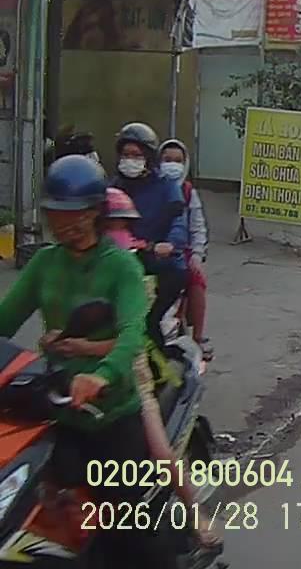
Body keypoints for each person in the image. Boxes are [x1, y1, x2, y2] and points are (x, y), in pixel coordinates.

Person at [0, 155, 176, 569]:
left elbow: (132, 333)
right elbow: (6, 318)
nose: (64, 223)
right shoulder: (46, 262)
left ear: (96, 212)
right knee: (38, 513)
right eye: (56, 213)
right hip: (55, 409)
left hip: (110, 416)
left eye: (75, 213)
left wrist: (101, 376)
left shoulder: (121, 266)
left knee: (129, 529)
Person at [87, 188, 222, 549]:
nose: (114, 233)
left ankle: (197, 517)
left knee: (160, 453)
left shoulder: (131, 267)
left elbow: (128, 335)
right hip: (76, 374)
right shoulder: (72, 265)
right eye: (109, 225)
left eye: (121, 226)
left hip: (130, 372)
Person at [111, 122, 188, 348]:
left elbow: (178, 219)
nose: (130, 160)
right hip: (123, 259)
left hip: (157, 259)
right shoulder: (114, 187)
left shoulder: (166, 186)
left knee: (151, 319)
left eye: (136, 155)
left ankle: (158, 334)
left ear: (148, 158)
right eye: (126, 155)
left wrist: (170, 244)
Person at [158, 139, 212, 361]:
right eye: (167, 160)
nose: (172, 165)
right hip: (151, 249)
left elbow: (198, 228)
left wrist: (197, 255)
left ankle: (198, 338)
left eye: (177, 161)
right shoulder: (152, 189)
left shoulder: (189, 192)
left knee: (196, 280)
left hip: (181, 252)